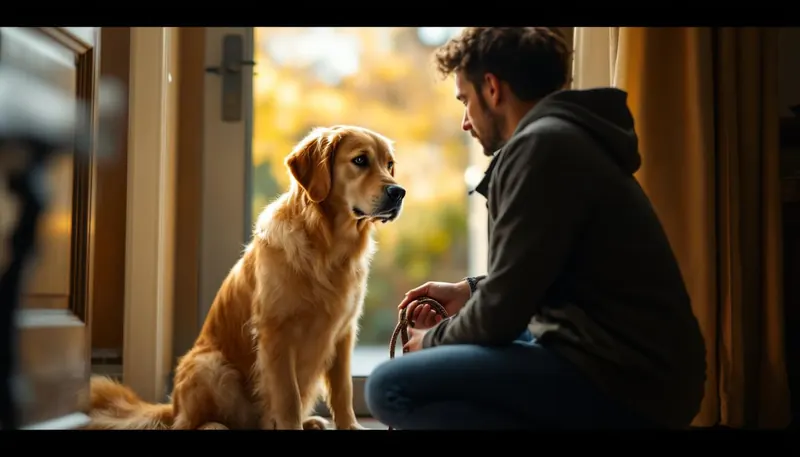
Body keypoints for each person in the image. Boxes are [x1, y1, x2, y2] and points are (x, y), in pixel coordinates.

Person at [363, 27, 708, 430]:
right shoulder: (565, 139)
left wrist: (432, 341)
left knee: (389, 386)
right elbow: (540, 272)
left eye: (465, 100)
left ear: (492, 88)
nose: (465, 122)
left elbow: (501, 316)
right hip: (643, 371)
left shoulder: (542, 148)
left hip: (624, 381)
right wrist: (469, 291)